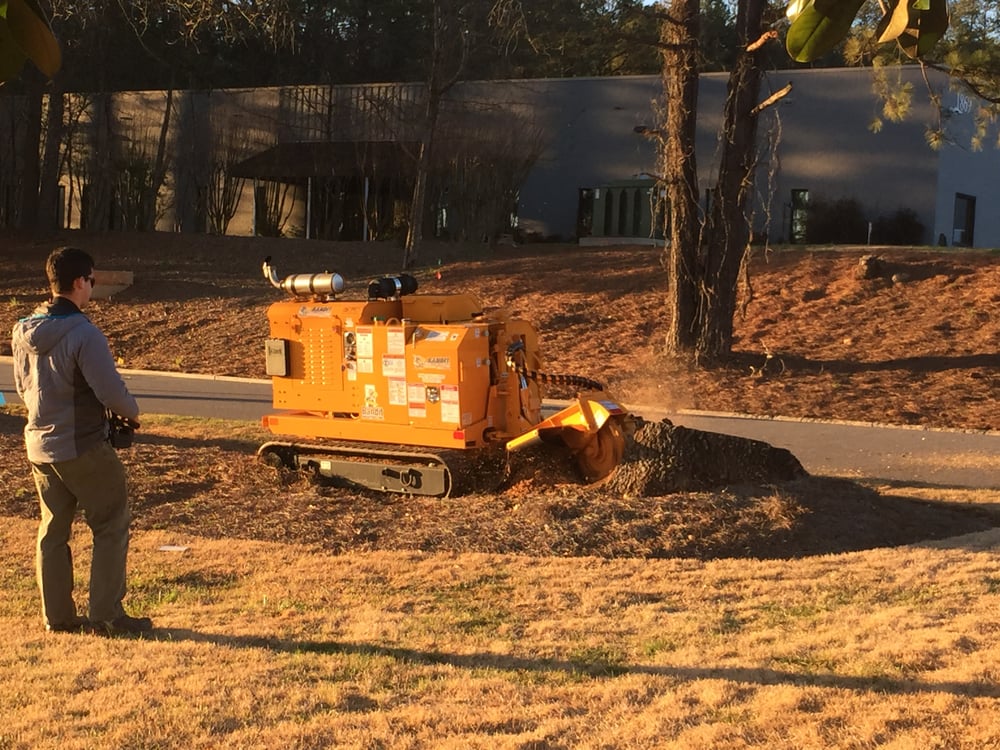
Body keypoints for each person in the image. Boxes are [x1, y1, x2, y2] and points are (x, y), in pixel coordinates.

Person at [11, 246, 152, 636]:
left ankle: (57, 618)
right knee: (110, 521)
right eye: (91, 280)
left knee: (53, 529)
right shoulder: (84, 334)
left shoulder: (22, 330)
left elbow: (24, 388)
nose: (92, 287)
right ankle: (106, 615)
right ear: (79, 283)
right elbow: (111, 393)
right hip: (82, 446)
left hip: (39, 444)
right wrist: (133, 412)